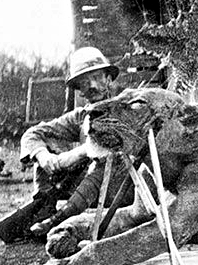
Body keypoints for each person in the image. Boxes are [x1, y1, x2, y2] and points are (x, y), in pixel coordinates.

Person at [20, 47, 132, 236]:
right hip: (90, 191)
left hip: (125, 186)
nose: (93, 86)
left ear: (109, 79)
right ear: (80, 90)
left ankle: (60, 219)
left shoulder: (128, 107)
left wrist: (76, 154)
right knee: (44, 148)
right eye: (84, 82)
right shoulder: (81, 117)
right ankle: (45, 210)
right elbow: (33, 134)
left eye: (97, 78)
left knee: (102, 162)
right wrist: (45, 157)